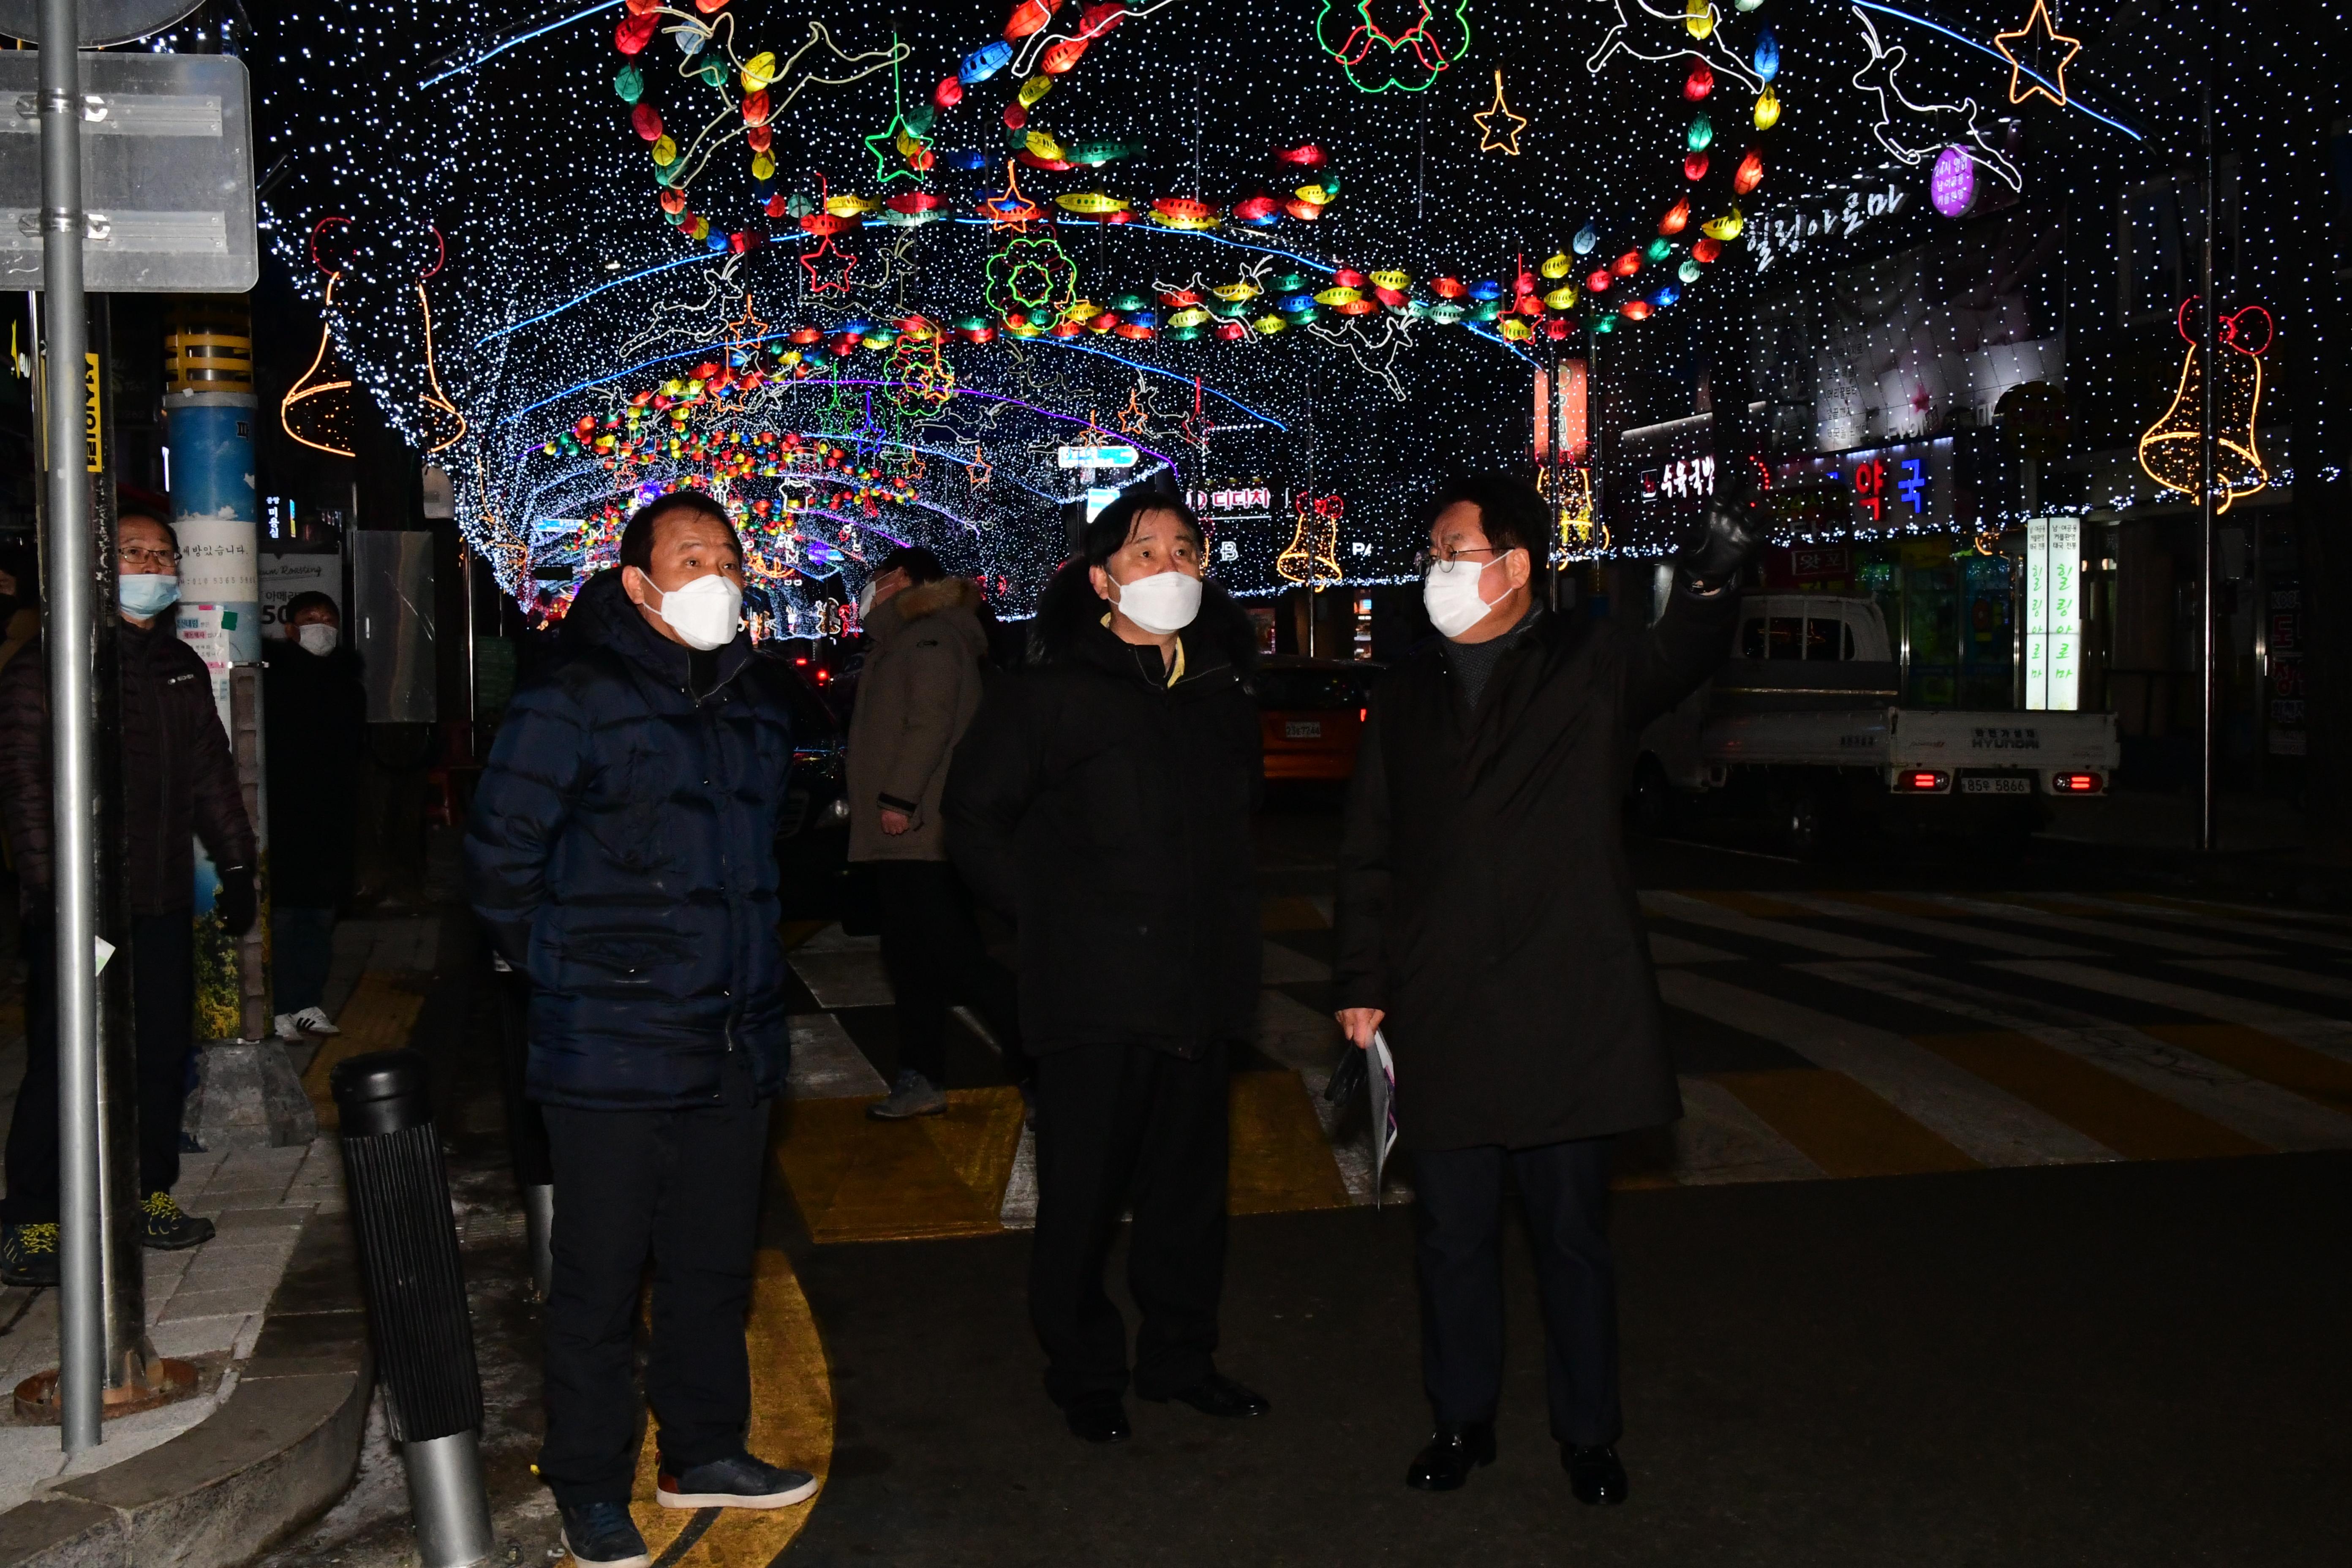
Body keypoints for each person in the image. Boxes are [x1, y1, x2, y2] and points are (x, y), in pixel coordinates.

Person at [1332, 473, 1761, 1503]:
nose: (1436, 569)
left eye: (1453, 549)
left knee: (1571, 1237)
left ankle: (1588, 1434)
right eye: (1432, 552)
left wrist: (1712, 580)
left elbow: (1679, 653)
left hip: (1566, 1005)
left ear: (1514, 563)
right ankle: (1460, 1420)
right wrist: (1358, 981)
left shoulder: (1587, 661)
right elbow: (1367, 854)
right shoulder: (1404, 693)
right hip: (1440, 1008)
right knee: (1451, 1235)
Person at [466, 491, 814, 1568]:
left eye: (726, 555)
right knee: (599, 1280)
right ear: (638, 583)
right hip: (609, 1046)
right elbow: (497, 857)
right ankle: (588, 1481)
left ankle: (702, 1448)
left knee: (713, 1266)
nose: (714, 572)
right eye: (688, 556)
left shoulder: (756, 701)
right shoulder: (572, 698)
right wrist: (575, 970)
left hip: (733, 1037)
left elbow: (767, 853)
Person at [945, 486, 1269, 1445]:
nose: (1168, 568)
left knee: (1188, 1198)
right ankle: (1084, 1370)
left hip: (1198, 992)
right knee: (1082, 1200)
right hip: (1090, 996)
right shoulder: (1049, 696)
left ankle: (1180, 1357)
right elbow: (971, 821)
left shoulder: (1220, 695)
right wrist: (1050, 919)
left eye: (1183, 550)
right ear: (1100, 580)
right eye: (1142, 553)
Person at [0, 511, 257, 1285]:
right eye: (135, 553)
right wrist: (53, 901)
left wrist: (240, 868)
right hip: (82, 908)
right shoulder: (46, 668)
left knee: (157, 1053)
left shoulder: (177, 667)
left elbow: (213, 774)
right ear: (99, 567)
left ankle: (144, 1193)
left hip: (159, 901)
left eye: (163, 553)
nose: (154, 564)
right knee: (65, 1057)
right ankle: (33, 1217)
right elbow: (24, 793)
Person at [846, 544, 1024, 1120]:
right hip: (908, 831)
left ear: (902, 578)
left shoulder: (928, 638)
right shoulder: (904, 638)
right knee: (912, 962)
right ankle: (920, 1076)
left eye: (878, 577)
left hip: (919, 829)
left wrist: (898, 799)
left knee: (956, 961)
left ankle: (1046, 1066)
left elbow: (929, 721)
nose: (870, 588)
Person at [264, 591, 365, 1042]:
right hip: (285, 818)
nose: (321, 624)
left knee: (319, 918)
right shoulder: (275, 681)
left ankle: (306, 1001)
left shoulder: (347, 684)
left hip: (332, 820)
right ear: (290, 628)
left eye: (328, 617)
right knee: (284, 918)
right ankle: (279, 1004)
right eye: (310, 617)